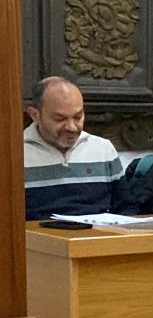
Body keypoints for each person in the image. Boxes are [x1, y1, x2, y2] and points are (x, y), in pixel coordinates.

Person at [22, 77, 125, 220]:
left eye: (78, 117)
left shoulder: (103, 149)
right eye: (59, 119)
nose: (71, 127)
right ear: (35, 115)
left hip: (97, 237)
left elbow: (126, 207)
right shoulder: (15, 154)